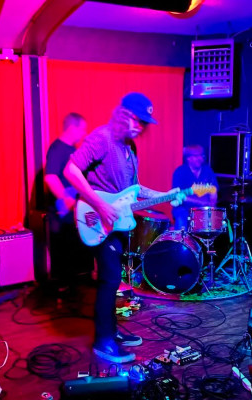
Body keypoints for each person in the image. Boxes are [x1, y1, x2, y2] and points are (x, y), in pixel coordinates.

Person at [64, 92, 185, 363]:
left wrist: (165, 195)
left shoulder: (130, 148)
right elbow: (71, 170)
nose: (140, 127)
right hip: (96, 218)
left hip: (116, 223)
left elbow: (135, 189)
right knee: (109, 279)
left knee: (113, 279)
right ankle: (103, 342)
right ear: (122, 115)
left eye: (144, 123)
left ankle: (111, 332)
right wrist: (100, 204)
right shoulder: (102, 137)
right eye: (137, 120)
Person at [44, 113, 93, 293]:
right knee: (64, 251)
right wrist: (67, 199)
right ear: (72, 128)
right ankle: (65, 290)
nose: (84, 133)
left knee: (74, 250)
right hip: (63, 213)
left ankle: (74, 287)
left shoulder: (73, 150)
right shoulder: (57, 148)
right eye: (82, 129)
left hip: (73, 211)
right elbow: (50, 177)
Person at [171, 144, 218, 230]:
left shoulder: (207, 171)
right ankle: (181, 237)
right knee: (181, 217)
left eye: (202, 155)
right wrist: (201, 203)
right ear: (188, 158)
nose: (201, 158)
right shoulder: (180, 172)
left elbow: (214, 191)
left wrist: (211, 207)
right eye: (197, 156)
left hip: (204, 209)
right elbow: (179, 196)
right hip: (184, 209)